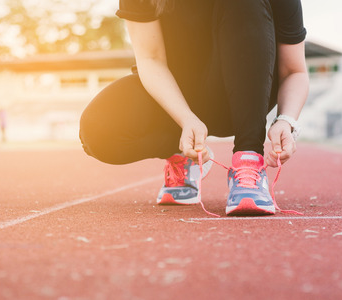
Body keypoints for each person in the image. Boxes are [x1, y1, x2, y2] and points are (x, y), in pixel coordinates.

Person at [80, 0, 309, 216]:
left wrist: (287, 120)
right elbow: (150, 59)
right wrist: (185, 118)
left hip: (244, 95)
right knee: (98, 130)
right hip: (177, 95)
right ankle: (184, 154)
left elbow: (294, 71)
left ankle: (249, 161)